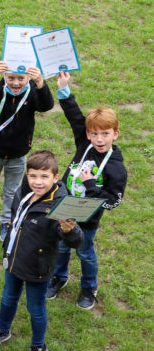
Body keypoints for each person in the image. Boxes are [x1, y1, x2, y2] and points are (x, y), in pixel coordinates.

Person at [0, 150, 83, 351]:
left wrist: (71, 230)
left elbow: (76, 241)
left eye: (44, 176)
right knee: (8, 298)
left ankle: (38, 347)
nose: (38, 181)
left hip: (38, 268)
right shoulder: (22, 192)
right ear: (27, 175)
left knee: (35, 308)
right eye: (33, 175)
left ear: (56, 178)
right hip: (14, 259)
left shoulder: (60, 206)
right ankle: (2, 330)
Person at [46, 73, 127, 309]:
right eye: (94, 133)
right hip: (64, 210)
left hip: (88, 220)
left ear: (115, 134)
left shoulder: (116, 169)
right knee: (61, 247)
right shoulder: (85, 143)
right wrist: (63, 89)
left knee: (84, 253)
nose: (99, 139)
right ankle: (59, 278)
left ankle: (89, 285)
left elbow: (112, 202)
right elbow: (74, 115)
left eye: (105, 134)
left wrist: (92, 186)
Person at [0, 61, 54, 240]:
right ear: (5, 76)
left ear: (29, 77)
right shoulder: (0, 88)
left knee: (12, 191)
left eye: (21, 78)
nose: (16, 83)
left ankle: (7, 220)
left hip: (18, 154)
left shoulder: (32, 91)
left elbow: (46, 105)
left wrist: (40, 82)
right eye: (11, 78)